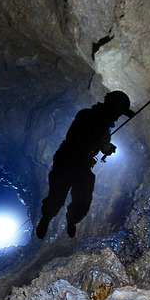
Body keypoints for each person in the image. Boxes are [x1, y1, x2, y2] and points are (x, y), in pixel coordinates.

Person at [36, 91, 134, 239]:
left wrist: (108, 148)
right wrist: (100, 139)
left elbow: (103, 144)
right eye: (117, 114)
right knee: (57, 195)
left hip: (82, 163)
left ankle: (72, 220)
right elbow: (80, 136)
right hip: (68, 158)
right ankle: (47, 218)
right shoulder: (87, 115)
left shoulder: (105, 126)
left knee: (83, 199)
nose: (116, 118)